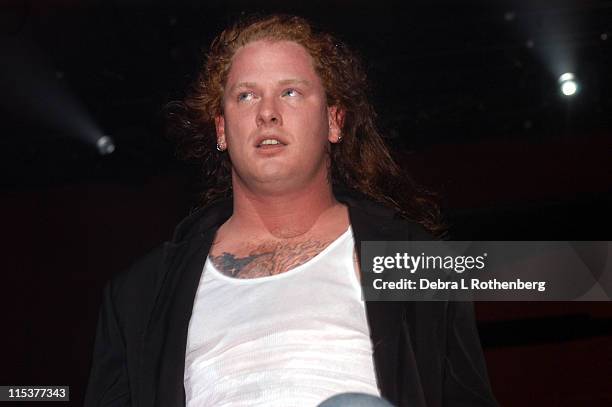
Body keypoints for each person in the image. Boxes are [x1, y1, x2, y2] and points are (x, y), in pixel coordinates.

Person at [85, 14, 498, 407]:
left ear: (334, 121)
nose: (267, 113)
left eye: (290, 92)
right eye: (246, 95)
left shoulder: (414, 260)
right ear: (222, 130)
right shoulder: (142, 293)